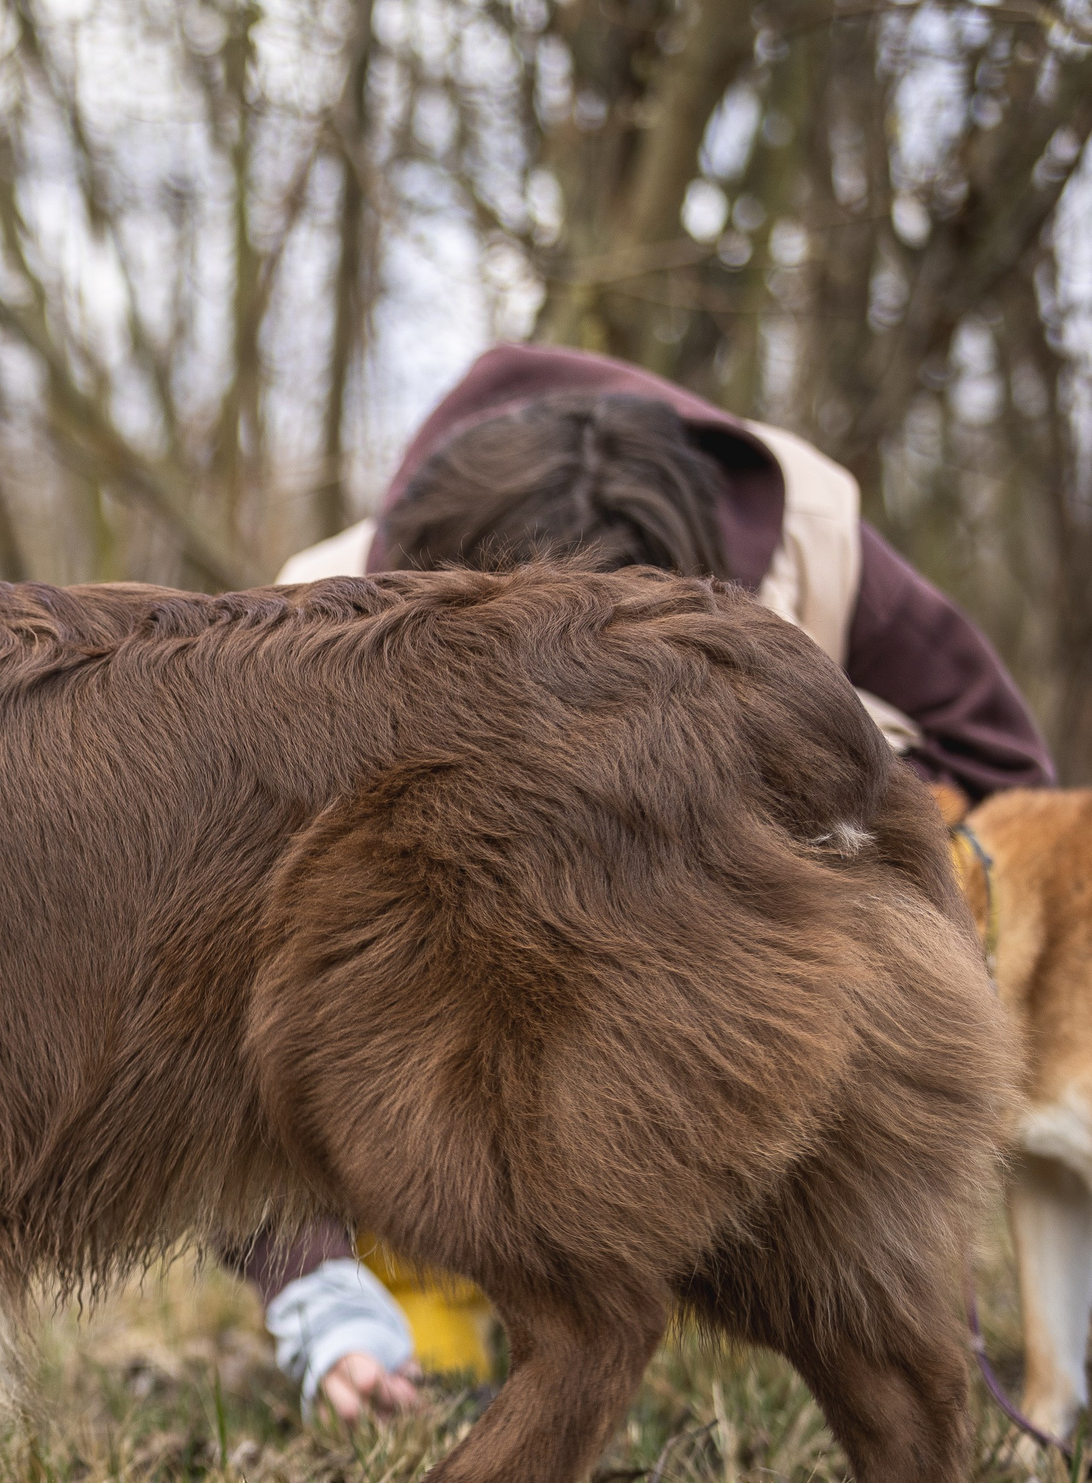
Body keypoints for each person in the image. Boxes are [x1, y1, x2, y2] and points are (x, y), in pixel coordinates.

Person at [244, 342, 1055, 1418]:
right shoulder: (312, 630)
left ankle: (783, 1238)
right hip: (463, 1018)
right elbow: (226, 995)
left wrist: (821, 814)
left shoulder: (813, 536)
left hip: (745, 963)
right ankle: (455, 1282)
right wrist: (313, 1284)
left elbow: (1011, 790)